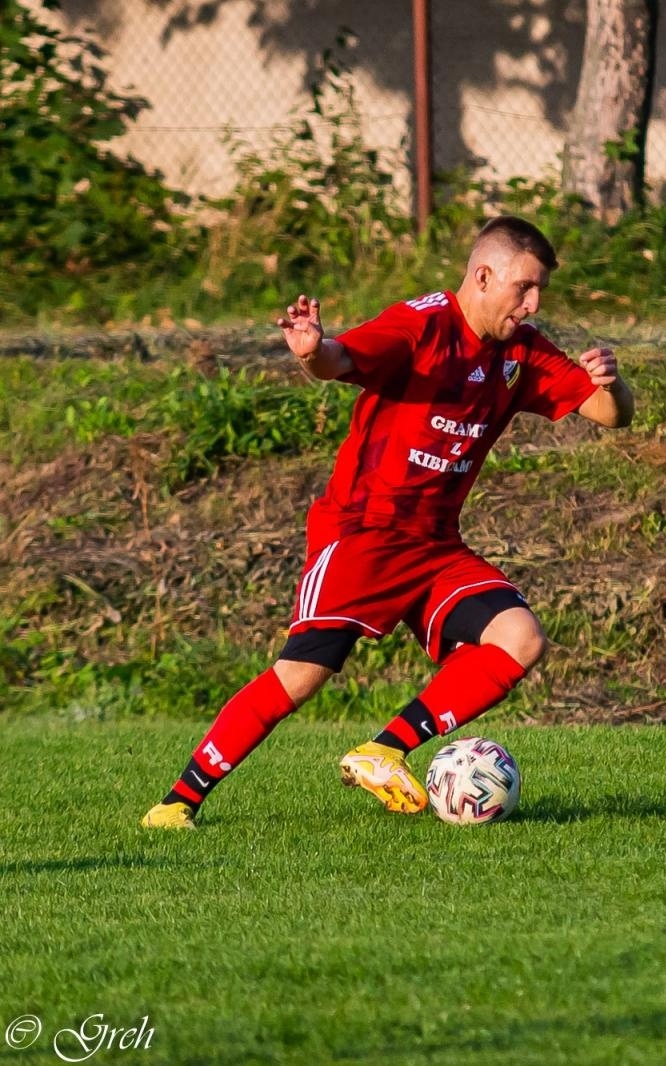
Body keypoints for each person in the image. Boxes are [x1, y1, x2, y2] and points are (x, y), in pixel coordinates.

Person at [141, 216, 635, 829]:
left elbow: (610, 415)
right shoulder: (421, 323)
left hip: (435, 545)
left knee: (519, 638)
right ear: (483, 275)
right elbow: (341, 358)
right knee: (300, 676)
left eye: (539, 293)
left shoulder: (521, 352)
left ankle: (383, 750)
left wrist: (612, 383)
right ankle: (176, 804)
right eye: (524, 288)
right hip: (364, 532)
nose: (533, 305)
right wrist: (312, 352)